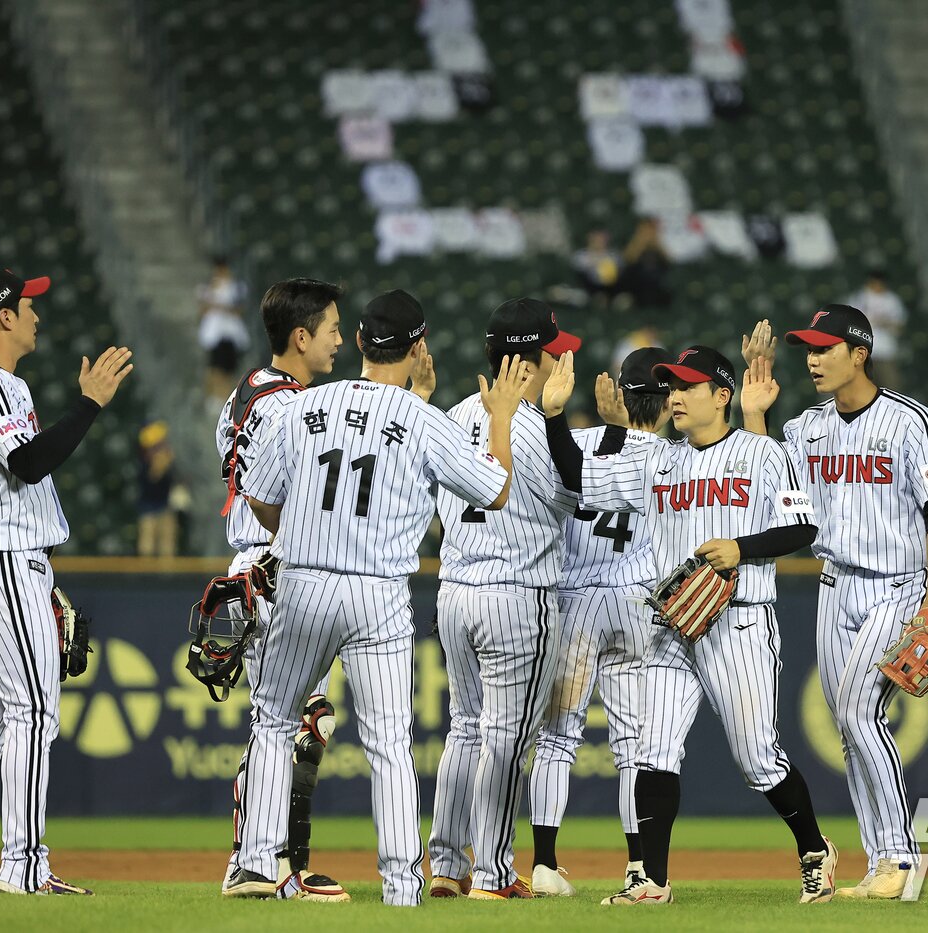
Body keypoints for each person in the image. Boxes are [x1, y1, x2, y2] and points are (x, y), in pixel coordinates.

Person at [233, 290, 527, 906]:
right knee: (390, 744)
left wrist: (302, 530)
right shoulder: (427, 421)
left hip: (304, 581)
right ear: (418, 348)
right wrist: (500, 416)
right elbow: (496, 491)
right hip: (378, 595)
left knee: (273, 718)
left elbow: (255, 494)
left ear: (362, 343)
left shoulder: (301, 405)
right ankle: (400, 886)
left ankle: (258, 863)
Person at [544, 345, 839, 907]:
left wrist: (741, 547)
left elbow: (802, 528)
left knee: (758, 758)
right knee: (653, 749)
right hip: (671, 625)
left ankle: (813, 849)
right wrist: (556, 415)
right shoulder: (659, 459)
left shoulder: (763, 454)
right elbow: (578, 476)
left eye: (687, 385)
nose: (674, 396)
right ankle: (649, 879)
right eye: (670, 386)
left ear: (721, 395)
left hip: (740, 621)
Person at [0, 270, 132, 895]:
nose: (36, 311)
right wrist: (89, 402)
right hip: (0, 558)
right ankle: (24, 868)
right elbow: (30, 461)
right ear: (2, 317)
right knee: (33, 710)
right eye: (27, 302)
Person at [742, 307, 928, 900]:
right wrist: (755, 416)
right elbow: (776, 491)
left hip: (896, 583)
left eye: (824, 348)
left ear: (858, 353)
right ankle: (879, 864)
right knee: (848, 725)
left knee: (861, 712)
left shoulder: (911, 421)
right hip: (834, 584)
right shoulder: (807, 428)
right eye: (808, 349)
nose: (812, 358)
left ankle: (900, 858)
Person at [428, 298, 582, 900]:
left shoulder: (454, 414)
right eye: (553, 350)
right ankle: (491, 873)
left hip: (455, 592)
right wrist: (557, 421)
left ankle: (445, 864)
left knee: (464, 729)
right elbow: (573, 501)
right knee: (505, 738)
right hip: (517, 596)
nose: (559, 358)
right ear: (531, 358)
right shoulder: (536, 426)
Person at [215, 279, 354, 900]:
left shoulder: (247, 394)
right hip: (278, 568)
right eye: (329, 329)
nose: (338, 340)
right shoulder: (291, 407)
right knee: (284, 723)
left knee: (300, 723)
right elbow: (289, 500)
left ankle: (280, 864)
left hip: (260, 566)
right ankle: (255, 861)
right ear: (300, 336)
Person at [526, 348, 672, 898]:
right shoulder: (669, 457)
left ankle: (543, 862)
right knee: (634, 744)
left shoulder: (573, 445)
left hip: (577, 601)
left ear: (614, 391)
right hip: (639, 604)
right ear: (662, 405)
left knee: (559, 738)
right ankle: (638, 864)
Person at [199, 257, 251, 405]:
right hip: (214, 335)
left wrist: (220, 306)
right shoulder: (207, 287)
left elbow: (239, 310)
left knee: (229, 369)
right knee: (215, 369)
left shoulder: (237, 287)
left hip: (232, 334)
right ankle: (216, 397)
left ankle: (230, 399)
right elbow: (203, 309)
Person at [846, 269, 907, 390]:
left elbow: (900, 327)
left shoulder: (892, 301)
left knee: (891, 389)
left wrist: (885, 323)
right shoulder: (858, 299)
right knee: (861, 390)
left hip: (886, 351)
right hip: (863, 352)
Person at [136, 421, 179, 557]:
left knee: (167, 541)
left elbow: (175, 480)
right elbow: (151, 478)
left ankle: (168, 572)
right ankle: (146, 572)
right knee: (147, 541)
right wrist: (160, 464)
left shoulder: (167, 458)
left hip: (165, 505)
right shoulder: (144, 461)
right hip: (148, 507)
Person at [621, 218, 672, 309]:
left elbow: (669, 262)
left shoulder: (659, 246)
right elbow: (627, 260)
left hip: (658, 289)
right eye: (644, 230)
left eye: (650, 230)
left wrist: (656, 242)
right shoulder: (634, 246)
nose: (648, 234)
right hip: (636, 289)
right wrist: (640, 241)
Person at [571, 229, 624, 307]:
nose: (600, 239)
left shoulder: (614, 256)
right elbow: (579, 274)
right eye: (597, 236)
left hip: (612, 288)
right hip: (590, 289)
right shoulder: (581, 256)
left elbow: (620, 272)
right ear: (590, 237)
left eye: (603, 236)